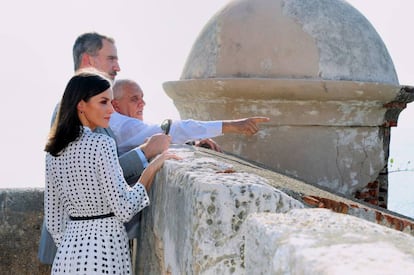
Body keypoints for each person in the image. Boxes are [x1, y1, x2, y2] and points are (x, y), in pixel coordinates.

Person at [38, 32, 170, 265]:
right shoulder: (91, 130)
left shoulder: (60, 137)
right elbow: (102, 180)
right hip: (100, 252)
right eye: (111, 58)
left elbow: (54, 218)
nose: (117, 67)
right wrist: (148, 157)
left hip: (69, 254)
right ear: (88, 60)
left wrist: (71, 251)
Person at [110, 78, 271, 156]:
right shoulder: (123, 126)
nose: (142, 103)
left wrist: (192, 142)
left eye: (142, 97)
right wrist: (232, 125)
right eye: (134, 99)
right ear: (116, 105)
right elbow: (170, 130)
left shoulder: (119, 123)